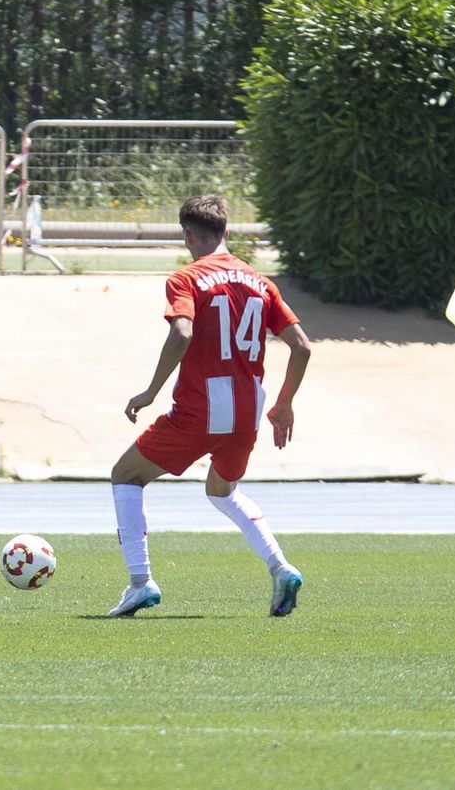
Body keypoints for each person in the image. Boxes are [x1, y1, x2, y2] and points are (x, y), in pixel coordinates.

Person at [112, 193, 313, 618]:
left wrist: (149, 392)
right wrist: (284, 405)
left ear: (189, 235)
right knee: (222, 491)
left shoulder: (185, 279)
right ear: (226, 231)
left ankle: (140, 582)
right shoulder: (262, 283)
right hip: (246, 411)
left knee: (126, 475)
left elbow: (182, 333)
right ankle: (281, 567)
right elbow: (301, 347)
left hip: (201, 407)